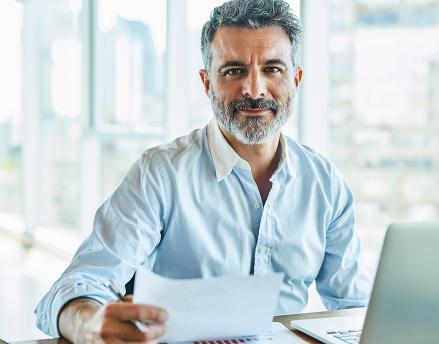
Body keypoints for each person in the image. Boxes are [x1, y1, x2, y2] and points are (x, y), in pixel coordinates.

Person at [36, 0, 371, 342]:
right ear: (207, 83)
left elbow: (355, 309)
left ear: (296, 80)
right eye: (233, 71)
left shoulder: (325, 183)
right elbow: (76, 286)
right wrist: (89, 324)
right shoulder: (160, 174)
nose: (254, 90)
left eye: (272, 69)